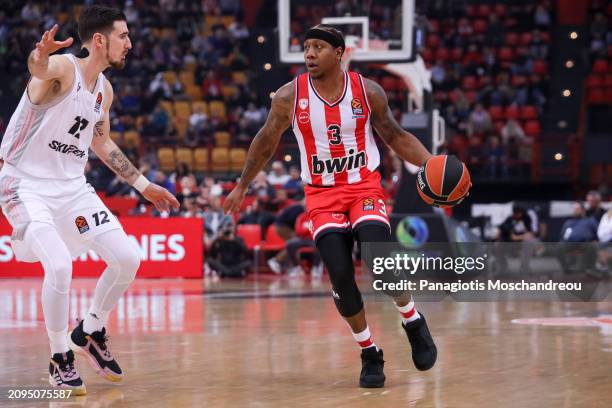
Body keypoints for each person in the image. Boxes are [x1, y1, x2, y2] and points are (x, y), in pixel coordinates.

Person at [224, 24, 437, 388]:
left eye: (318, 47)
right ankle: (370, 351)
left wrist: (432, 165)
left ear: (339, 53)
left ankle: (413, 320)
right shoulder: (289, 97)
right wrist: (242, 185)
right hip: (322, 196)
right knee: (340, 275)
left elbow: (396, 136)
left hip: (363, 187)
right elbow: (265, 141)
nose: (309, 53)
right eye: (306, 47)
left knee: (380, 263)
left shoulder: (368, 91)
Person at [0, 6, 179, 394]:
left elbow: (101, 141)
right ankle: (59, 356)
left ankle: (91, 329)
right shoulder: (64, 68)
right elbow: (38, 70)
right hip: (24, 184)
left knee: (129, 258)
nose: (129, 44)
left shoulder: (104, 90)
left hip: (71, 189)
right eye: (123, 36)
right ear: (99, 40)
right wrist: (39, 54)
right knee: (60, 266)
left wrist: (143, 184)